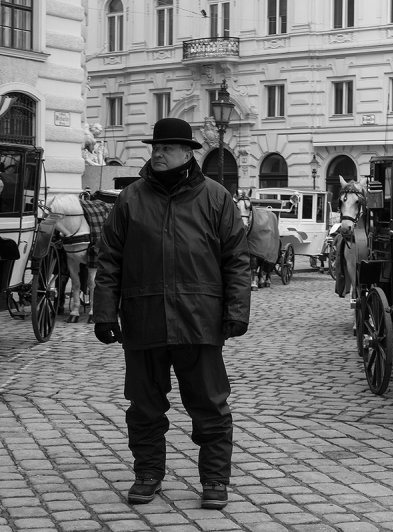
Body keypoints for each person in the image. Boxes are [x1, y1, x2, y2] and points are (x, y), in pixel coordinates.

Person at [93, 117, 251, 509]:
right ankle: (148, 474)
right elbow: (109, 259)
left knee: (210, 406)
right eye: (155, 148)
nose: (158, 154)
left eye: (166, 148)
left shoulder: (216, 198)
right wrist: (104, 313)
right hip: (143, 319)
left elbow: (236, 259)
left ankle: (215, 480)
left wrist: (236, 310)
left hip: (200, 320)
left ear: (187, 153)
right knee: (144, 406)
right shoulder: (130, 198)